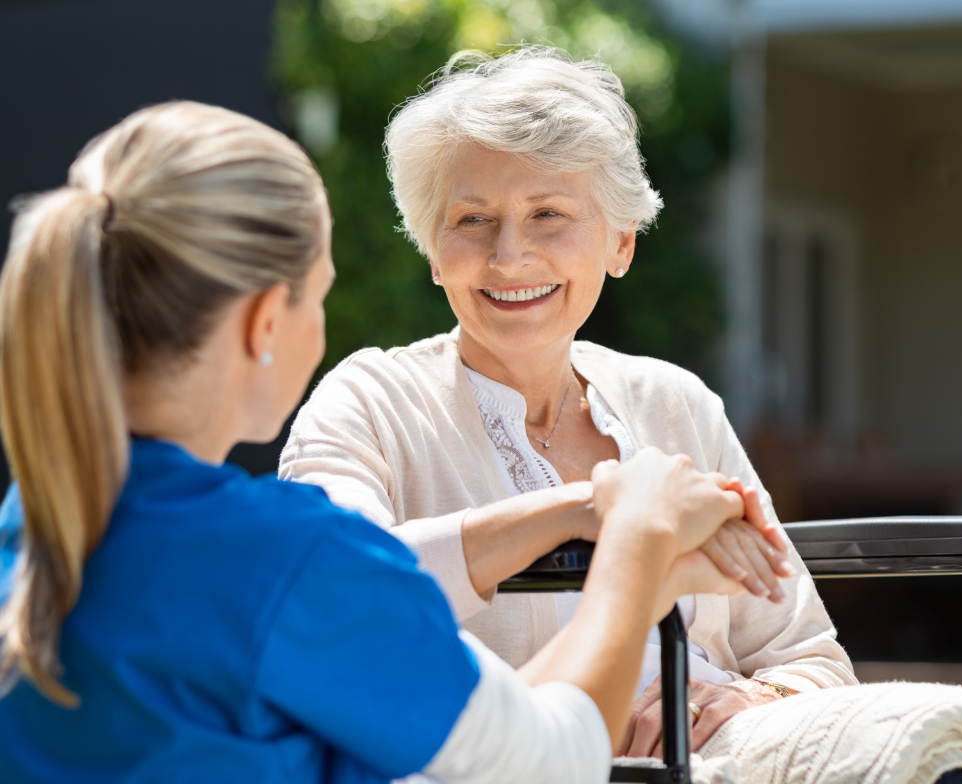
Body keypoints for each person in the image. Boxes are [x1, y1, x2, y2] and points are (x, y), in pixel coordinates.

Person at [0, 101, 764, 783]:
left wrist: (575, 515)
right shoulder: (288, 561)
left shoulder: (38, 518)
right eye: (323, 294)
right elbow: (554, 761)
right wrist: (637, 543)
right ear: (267, 322)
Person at [279, 46, 856, 758]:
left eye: (548, 214)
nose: (509, 256)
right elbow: (335, 596)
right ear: (433, 251)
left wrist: (745, 698)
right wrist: (591, 509)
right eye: (471, 220)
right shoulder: (367, 402)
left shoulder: (676, 405)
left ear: (620, 242)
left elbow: (811, 659)